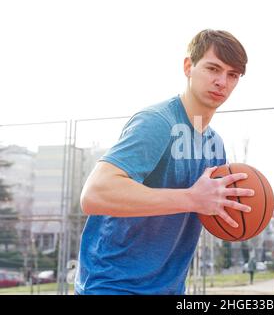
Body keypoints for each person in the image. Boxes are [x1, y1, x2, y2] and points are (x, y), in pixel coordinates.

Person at [74, 29, 252, 295]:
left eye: (232, 75)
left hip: (169, 288)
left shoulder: (215, 144)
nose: (222, 82)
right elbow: (95, 195)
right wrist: (192, 198)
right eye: (213, 68)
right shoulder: (157, 122)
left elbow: (207, 207)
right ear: (188, 66)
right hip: (114, 286)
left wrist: (238, 210)